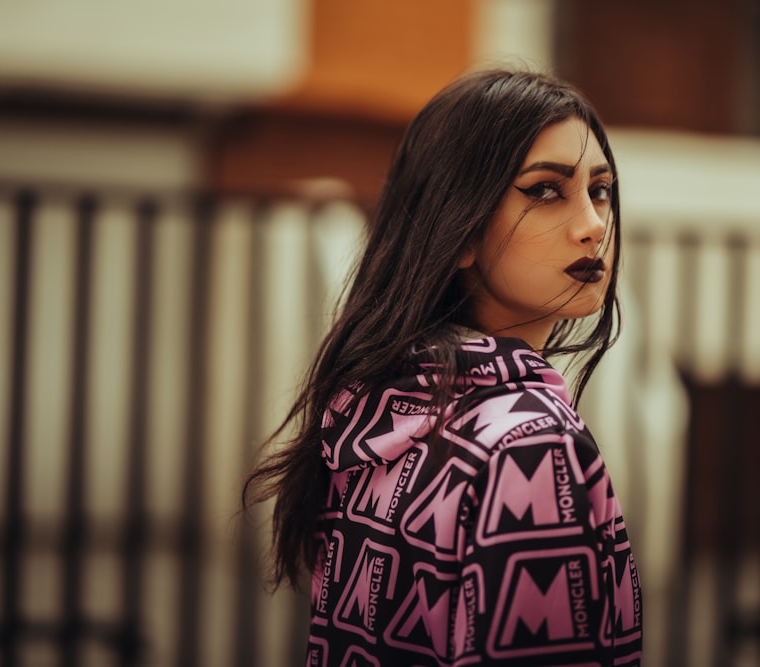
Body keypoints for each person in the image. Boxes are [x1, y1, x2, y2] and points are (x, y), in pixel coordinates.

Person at [243, 68, 643, 666]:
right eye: (544, 190)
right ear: (460, 231)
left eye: (601, 190)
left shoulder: (375, 412)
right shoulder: (529, 445)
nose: (592, 226)